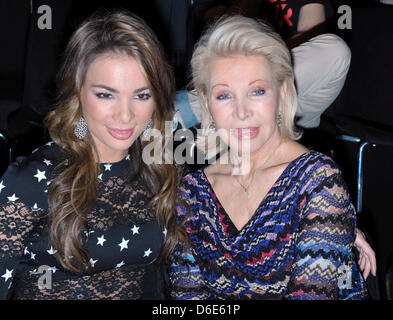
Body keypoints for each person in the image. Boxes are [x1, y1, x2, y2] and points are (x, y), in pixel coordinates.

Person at [169, 15, 369, 299]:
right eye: (224, 96)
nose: (242, 112)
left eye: (257, 91)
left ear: (283, 93)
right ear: (205, 104)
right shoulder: (192, 192)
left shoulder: (317, 182)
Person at [0, 10, 188, 299]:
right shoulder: (31, 180)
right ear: (78, 93)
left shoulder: (160, 169)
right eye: (105, 94)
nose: (125, 115)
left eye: (141, 95)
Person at [176, 0, 351, 129]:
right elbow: (219, 34)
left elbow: (311, 34)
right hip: (230, 82)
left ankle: (183, 110)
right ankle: (188, 110)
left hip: (289, 98)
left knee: (334, 51)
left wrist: (260, 61)